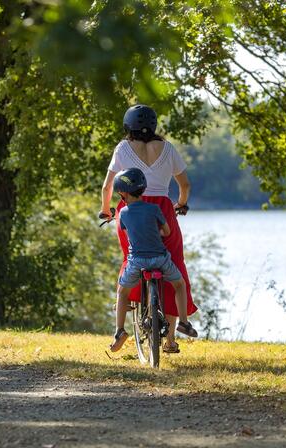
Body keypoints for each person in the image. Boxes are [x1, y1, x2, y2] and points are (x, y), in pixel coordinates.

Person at [100, 104, 197, 354]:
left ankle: (127, 307)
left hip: (131, 209)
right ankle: (172, 338)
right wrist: (181, 205)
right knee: (174, 263)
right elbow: (184, 184)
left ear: (127, 125)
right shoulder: (167, 148)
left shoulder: (122, 148)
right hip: (163, 210)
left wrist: (106, 210)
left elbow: (107, 187)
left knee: (131, 256)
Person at [108, 168, 198, 352]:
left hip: (137, 261)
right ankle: (183, 322)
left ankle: (119, 331)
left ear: (122, 193)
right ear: (143, 189)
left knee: (122, 292)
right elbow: (167, 232)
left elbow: (129, 236)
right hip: (160, 259)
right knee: (179, 284)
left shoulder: (123, 213)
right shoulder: (155, 209)